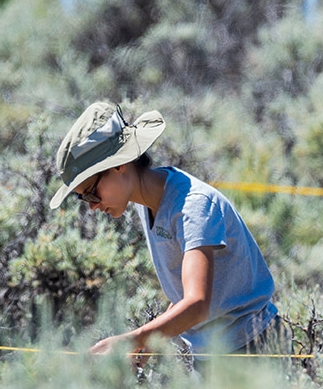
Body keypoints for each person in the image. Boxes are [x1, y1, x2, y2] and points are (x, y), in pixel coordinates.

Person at [50, 101, 279, 366]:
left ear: (118, 165)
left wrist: (134, 339)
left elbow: (197, 304)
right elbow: (186, 293)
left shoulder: (193, 206)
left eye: (91, 191)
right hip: (211, 354)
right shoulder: (145, 204)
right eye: (82, 198)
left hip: (253, 350)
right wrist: (151, 342)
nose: (91, 205)